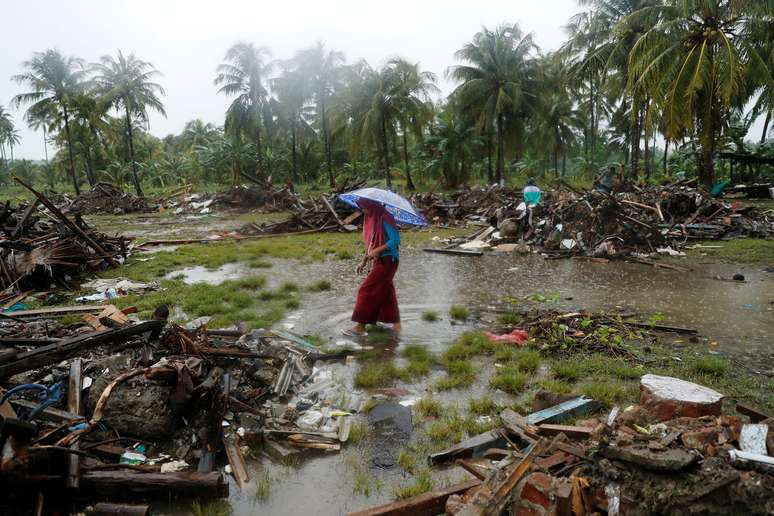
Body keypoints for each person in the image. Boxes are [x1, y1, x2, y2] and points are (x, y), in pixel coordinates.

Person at [344, 199, 401, 337]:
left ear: (372, 205)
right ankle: (396, 325)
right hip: (379, 260)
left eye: (364, 207)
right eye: (362, 207)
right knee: (387, 293)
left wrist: (379, 250)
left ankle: (360, 327)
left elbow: (395, 240)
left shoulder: (386, 217)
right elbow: (371, 244)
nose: (364, 210)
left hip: (388, 261)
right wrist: (363, 261)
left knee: (367, 289)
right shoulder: (372, 218)